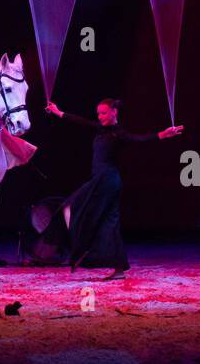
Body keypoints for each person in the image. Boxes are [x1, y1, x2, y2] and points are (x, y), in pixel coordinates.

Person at [43, 98, 183, 279]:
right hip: (104, 181)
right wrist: (58, 112)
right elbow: (80, 121)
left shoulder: (118, 133)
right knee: (110, 222)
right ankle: (117, 268)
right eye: (98, 113)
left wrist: (162, 134)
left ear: (114, 112)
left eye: (103, 113)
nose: (100, 117)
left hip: (106, 181)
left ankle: (81, 250)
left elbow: (139, 139)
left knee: (74, 207)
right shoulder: (100, 129)